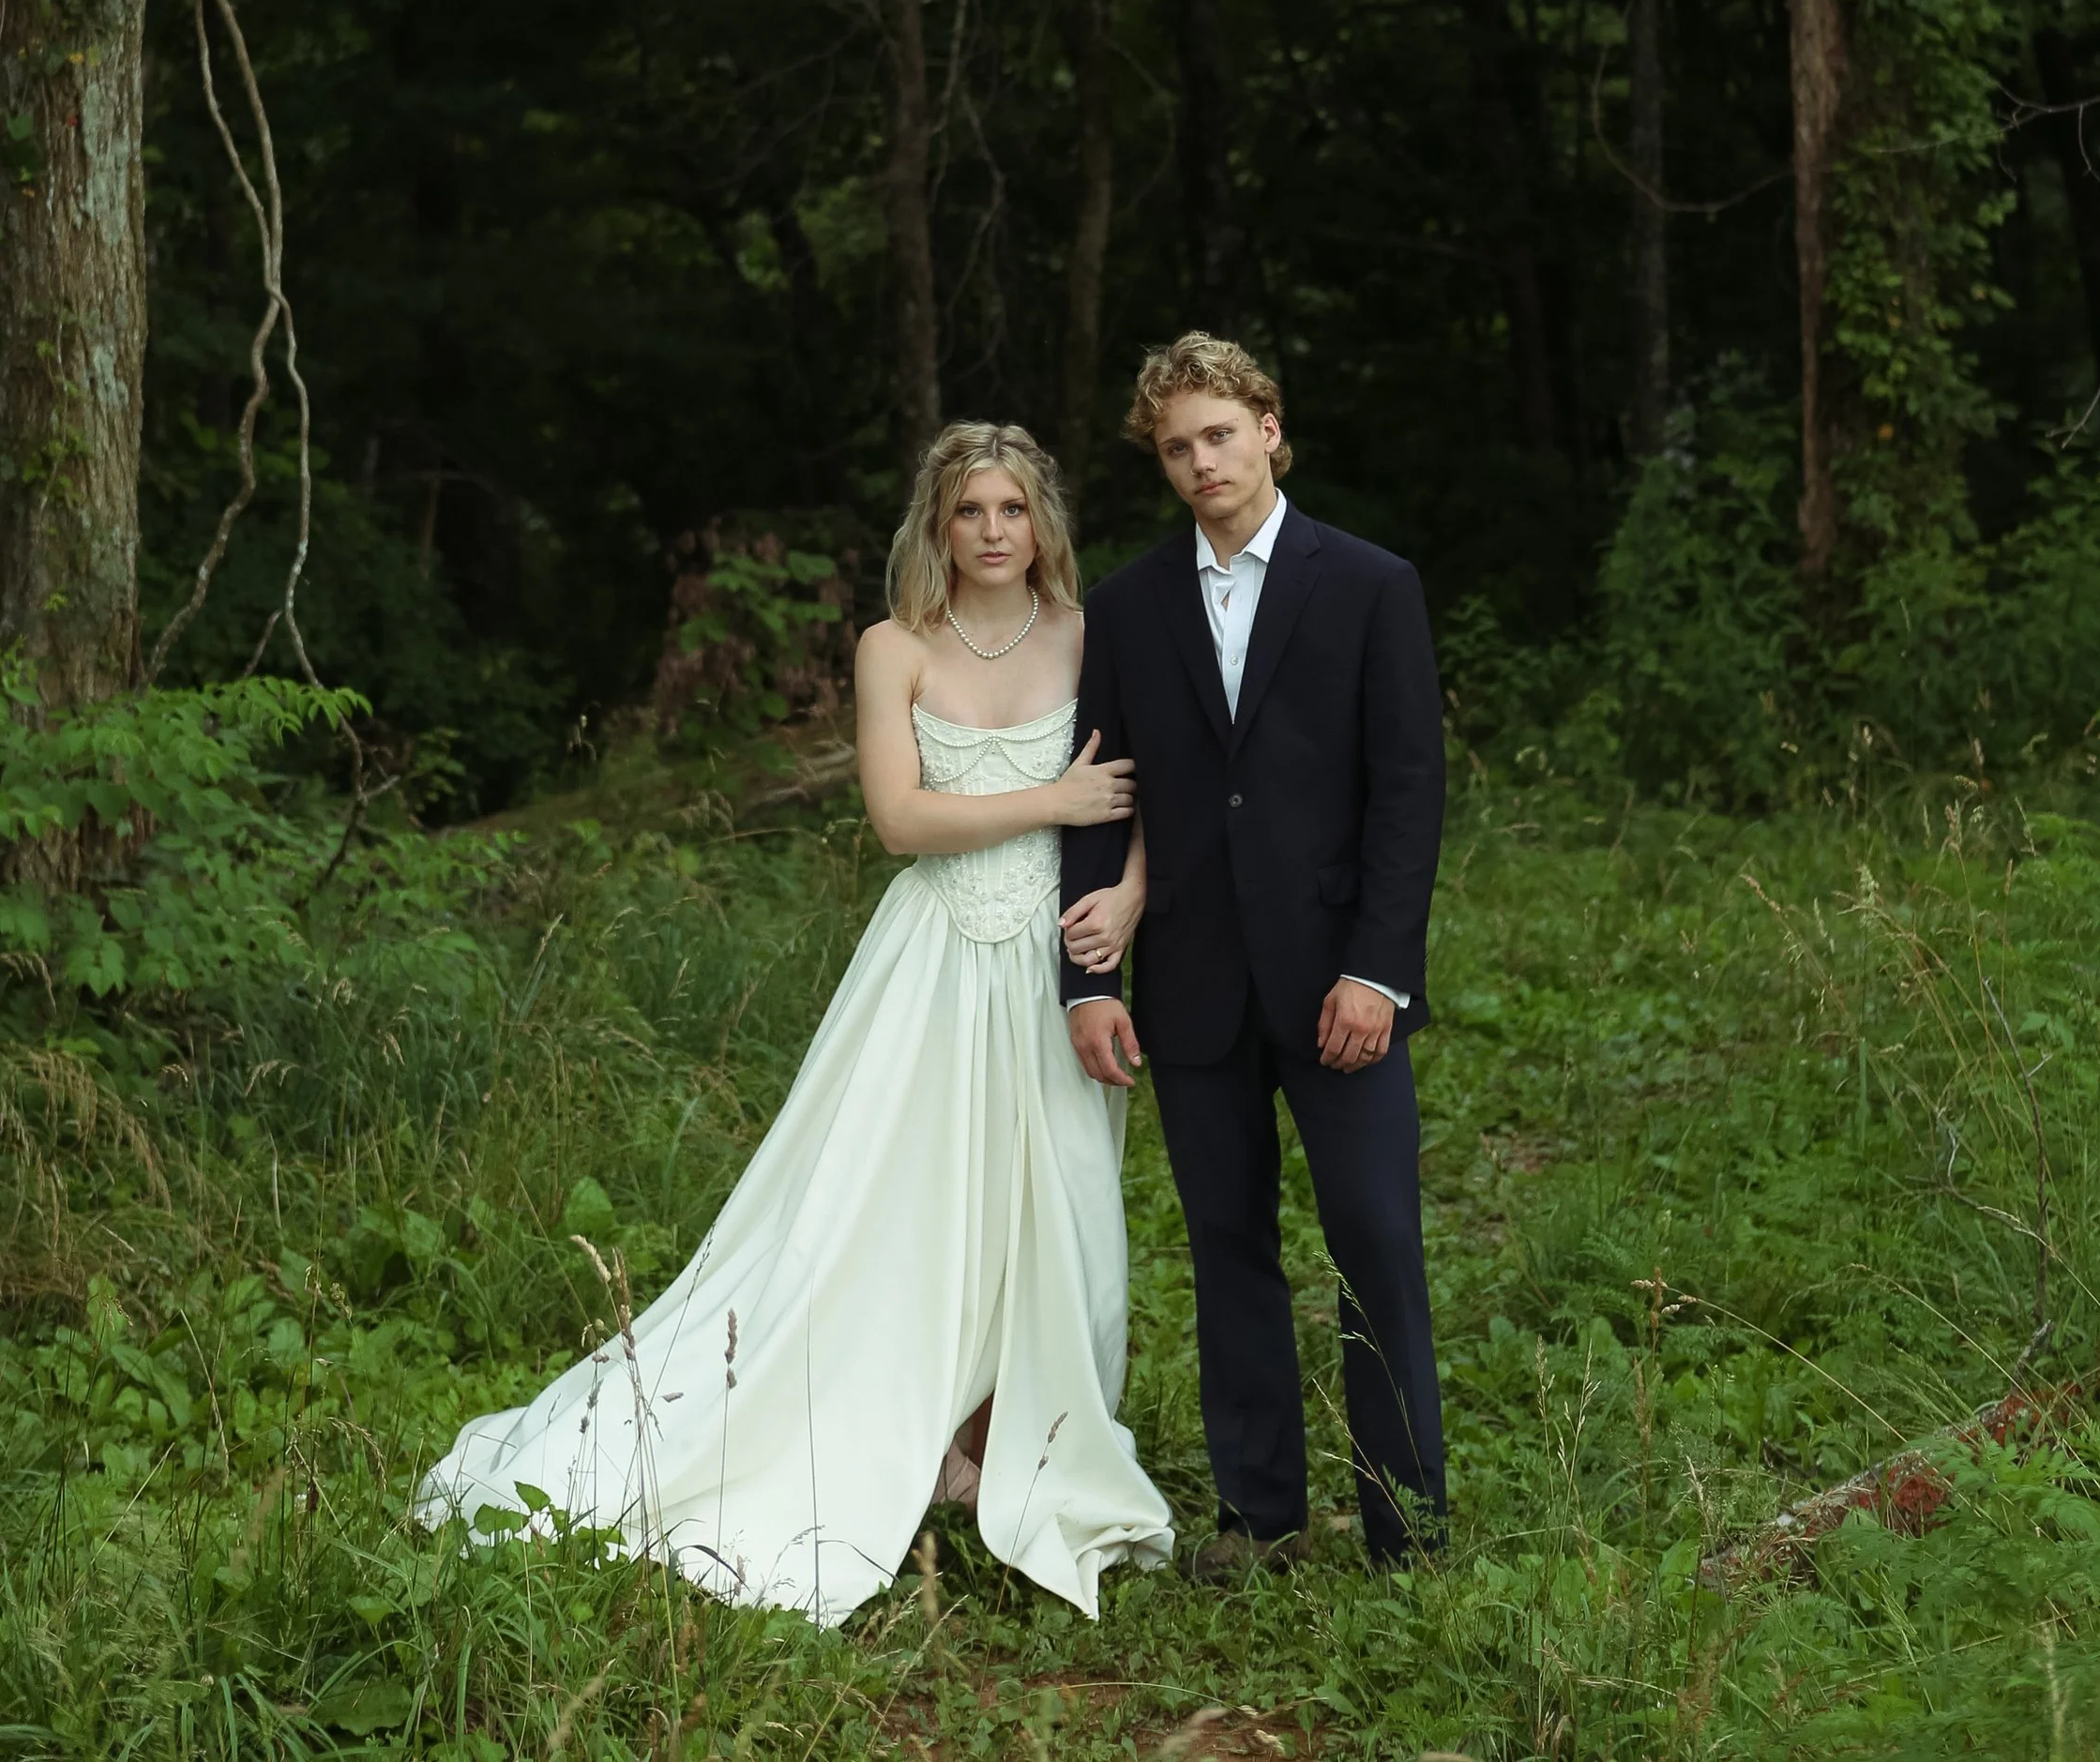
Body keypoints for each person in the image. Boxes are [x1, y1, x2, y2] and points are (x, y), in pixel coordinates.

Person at [416, 422, 1173, 1625]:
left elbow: (1142, 785)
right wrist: (1053, 798)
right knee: (903, 1204)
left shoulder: (1093, 635)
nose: (991, 532)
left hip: (1052, 962)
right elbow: (900, 819)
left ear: (1044, 524)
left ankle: (1013, 1437)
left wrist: (1126, 892)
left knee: (1056, 1204)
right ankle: (911, 1436)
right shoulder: (894, 649)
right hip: (930, 962)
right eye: (968, 511)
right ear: (936, 526)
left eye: (1012, 510)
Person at [1061, 333, 1447, 1581]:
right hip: (1192, 982)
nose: (1200, 461)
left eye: (1219, 433)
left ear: (1270, 428)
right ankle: (1260, 1517)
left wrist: (1377, 970)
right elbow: (1101, 798)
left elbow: (1407, 791)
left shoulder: (1371, 584)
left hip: (1341, 984)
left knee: (1374, 1239)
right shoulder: (1125, 607)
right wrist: (1090, 979)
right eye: (1176, 446)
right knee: (1227, 1244)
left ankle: (1406, 1527)